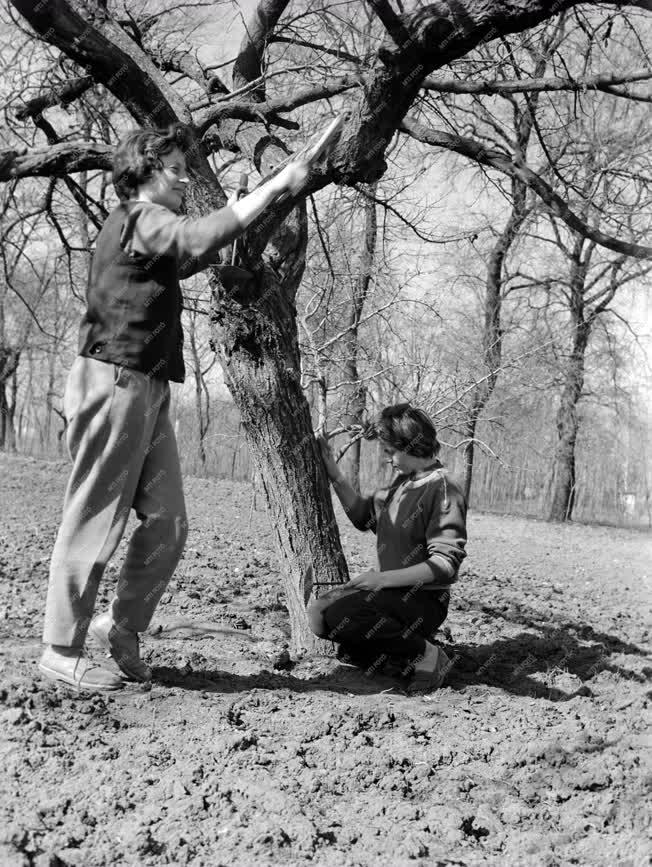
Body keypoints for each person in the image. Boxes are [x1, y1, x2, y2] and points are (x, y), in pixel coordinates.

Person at [39, 123, 310, 691]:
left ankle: (123, 626)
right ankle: (60, 649)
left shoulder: (151, 234)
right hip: (114, 382)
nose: (187, 177)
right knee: (95, 517)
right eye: (177, 168)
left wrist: (239, 215)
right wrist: (279, 185)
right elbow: (196, 236)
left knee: (169, 521)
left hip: (150, 389)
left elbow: (195, 247)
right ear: (145, 172)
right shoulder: (137, 219)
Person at [309, 403, 467, 691]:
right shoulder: (402, 484)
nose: (386, 458)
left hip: (423, 600)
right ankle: (391, 658)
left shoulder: (444, 489)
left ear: (411, 446)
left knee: (343, 616)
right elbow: (362, 515)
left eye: (390, 451)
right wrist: (333, 472)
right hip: (390, 592)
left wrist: (380, 579)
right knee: (319, 615)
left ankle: (430, 655)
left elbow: (446, 565)